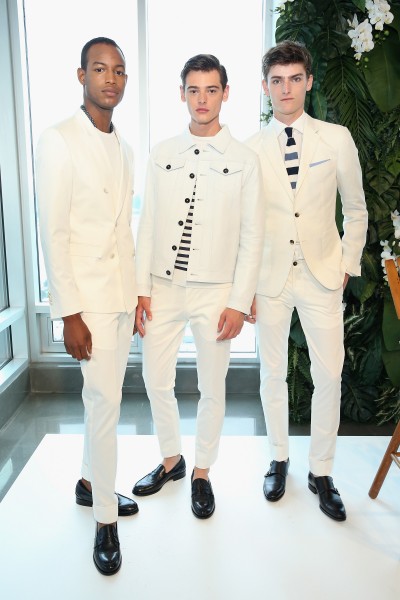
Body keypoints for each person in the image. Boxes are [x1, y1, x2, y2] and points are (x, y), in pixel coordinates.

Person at [132, 54, 264, 518]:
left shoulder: (244, 160)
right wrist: (140, 288)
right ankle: (172, 459)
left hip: (216, 292)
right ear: (182, 93)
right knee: (154, 378)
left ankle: (203, 472)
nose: (202, 99)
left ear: (226, 93)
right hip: (162, 288)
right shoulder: (162, 152)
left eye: (211, 89)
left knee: (212, 386)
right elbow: (147, 223)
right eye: (194, 89)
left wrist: (237, 300)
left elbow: (252, 236)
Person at [246, 40, 368, 521]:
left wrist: (345, 265)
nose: (286, 88)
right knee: (272, 373)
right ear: (265, 87)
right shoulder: (252, 148)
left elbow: (356, 210)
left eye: (295, 78)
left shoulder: (335, 138)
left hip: (321, 275)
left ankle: (322, 470)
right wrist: (244, 288)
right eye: (277, 80)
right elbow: (245, 224)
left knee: (329, 374)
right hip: (270, 278)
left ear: (309, 82)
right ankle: (278, 458)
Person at [36, 37, 138, 575]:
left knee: (103, 402)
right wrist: (68, 312)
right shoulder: (58, 139)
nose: (111, 79)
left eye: (119, 71)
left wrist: (137, 294)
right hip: (88, 305)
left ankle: (85, 482)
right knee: (104, 409)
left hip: (119, 299)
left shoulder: (123, 146)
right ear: (81, 76)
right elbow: (53, 233)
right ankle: (104, 521)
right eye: (100, 69)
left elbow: (126, 227)